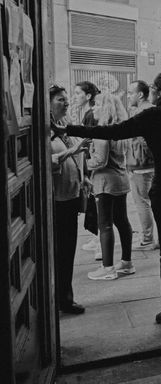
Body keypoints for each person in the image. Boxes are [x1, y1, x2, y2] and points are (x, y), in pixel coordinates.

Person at [54, 73, 161, 328]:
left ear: (158, 93)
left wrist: (69, 128)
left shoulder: (153, 116)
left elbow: (113, 131)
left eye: (153, 89)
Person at [49, 85, 91, 315]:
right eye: (59, 100)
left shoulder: (66, 126)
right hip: (55, 201)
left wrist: (84, 179)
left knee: (68, 253)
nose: (65, 103)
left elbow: (75, 157)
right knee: (57, 254)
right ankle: (54, 301)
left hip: (71, 197)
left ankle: (65, 298)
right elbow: (48, 160)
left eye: (66, 100)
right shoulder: (43, 131)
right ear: (47, 104)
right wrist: (74, 150)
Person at [85, 93, 134, 281]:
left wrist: (82, 162)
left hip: (105, 183)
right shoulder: (120, 130)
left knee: (104, 224)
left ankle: (107, 268)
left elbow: (100, 161)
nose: (93, 108)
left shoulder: (102, 131)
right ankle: (127, 263)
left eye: (97, 105)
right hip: (121, 180)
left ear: (105, 108)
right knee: (122, 221)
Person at [126, 80, 158, 251]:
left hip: (141, 166)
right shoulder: (153, 110)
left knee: (142, 202)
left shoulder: (141, 113)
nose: (127, 95)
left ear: (140, 94)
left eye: (130, 92)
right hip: (151, 165)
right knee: (152, 202)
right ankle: (156, 238)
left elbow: (142, 142)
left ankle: (147, 239)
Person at [73, 81, 101, 255]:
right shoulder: (88, 112)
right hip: (89, 160)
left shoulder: (92, 114)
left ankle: (100, 241)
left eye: (78, 93)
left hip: (92, 161)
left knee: (95, 200)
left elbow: (90, 138)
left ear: (88, 96)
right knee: (93, 200)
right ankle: (97, 237)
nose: (74, 97)